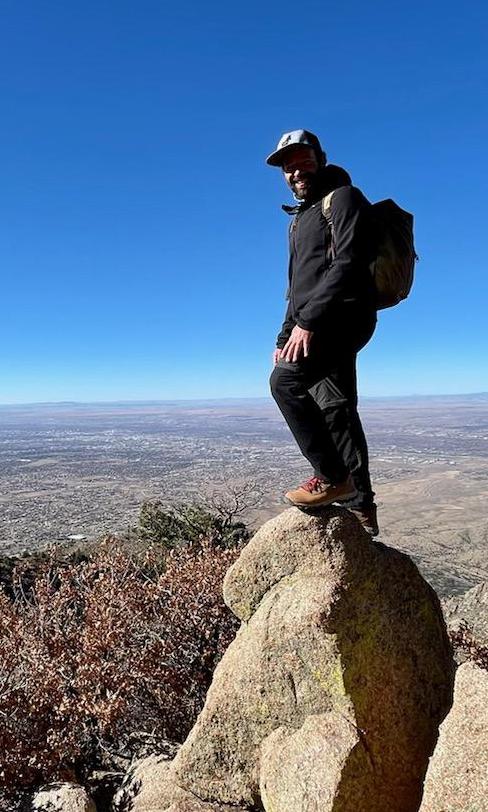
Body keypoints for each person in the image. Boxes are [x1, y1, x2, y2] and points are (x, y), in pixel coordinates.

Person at [267, 129, 379, 535]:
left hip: (344, 318)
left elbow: (349, 263)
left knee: (285, 382)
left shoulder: (344, 199)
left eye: (302, 159)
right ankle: (360, 505)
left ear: (320, 158)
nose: (295, 169)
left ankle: (332, 477)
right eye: (287, 165)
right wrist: (285, 336)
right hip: (313, 322)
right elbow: (296, 289)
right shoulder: (299, 220)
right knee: (336, 408)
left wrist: (308, 323)